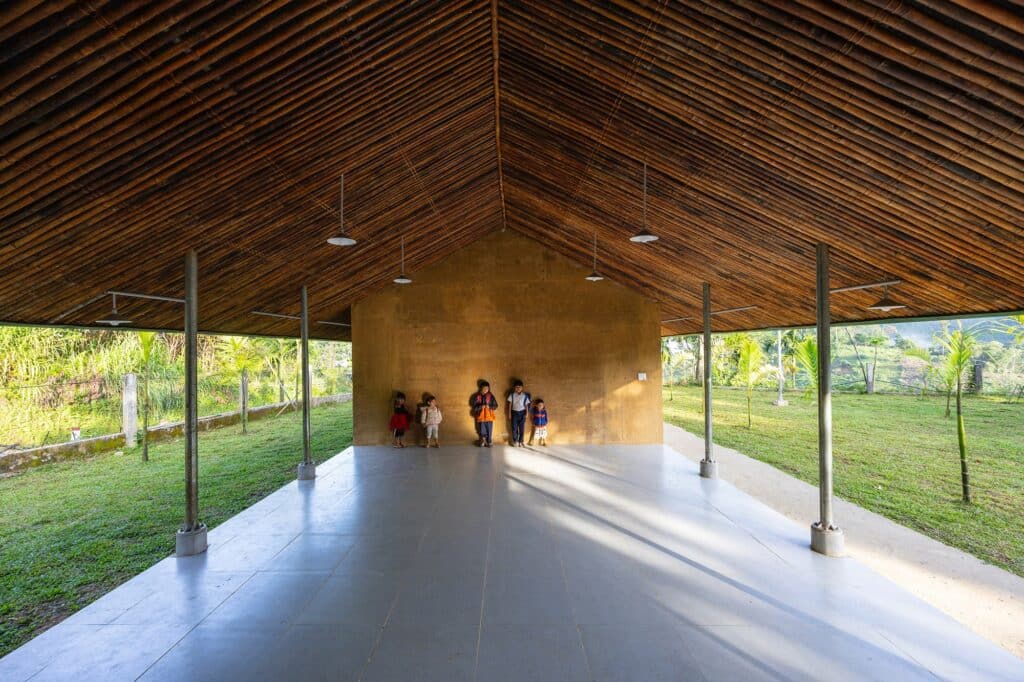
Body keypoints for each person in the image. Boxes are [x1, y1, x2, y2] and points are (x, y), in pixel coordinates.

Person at [471, 381, 498, 447]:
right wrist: (481, 406)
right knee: (481, 430)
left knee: (489, 429)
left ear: (489, 389)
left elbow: (496, 406)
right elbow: (474, 407)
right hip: (481, 417)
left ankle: (489, 441)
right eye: (484, 388)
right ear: (480, 388)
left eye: (487, 388)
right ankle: (483, 441)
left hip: (489, 417)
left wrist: (490, 407)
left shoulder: (491, 396)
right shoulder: (477, 396)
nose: (485, 390)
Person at [507, 381, 531, 447]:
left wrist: (527, 413)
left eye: (519, 387)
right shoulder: (512, 395)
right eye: (516, 387)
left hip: (522, 413)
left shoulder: (524, 396)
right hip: (514, 413)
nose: (518, 388)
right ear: (514, 388)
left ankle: (521, 441)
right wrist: (509, 414)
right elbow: (510, 405)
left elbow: (526, 405)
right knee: (514, 428)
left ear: (522, 388)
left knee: (521, 428)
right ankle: (515, 441)